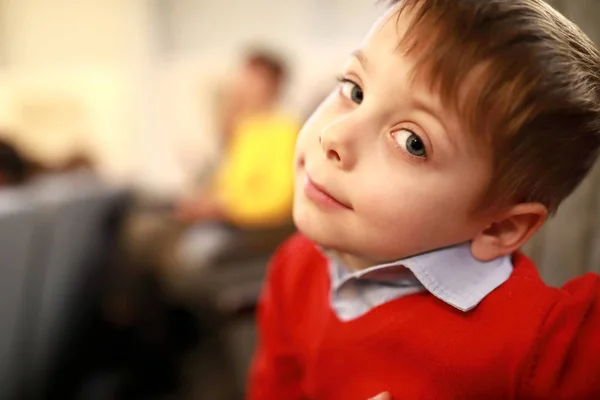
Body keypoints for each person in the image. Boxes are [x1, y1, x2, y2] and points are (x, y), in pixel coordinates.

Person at [246, 1, 600, 399]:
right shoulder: (295, 267)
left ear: (499, 226)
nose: (334, 136)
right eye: (355, 90)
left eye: (412, 142)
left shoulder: (545, 342)